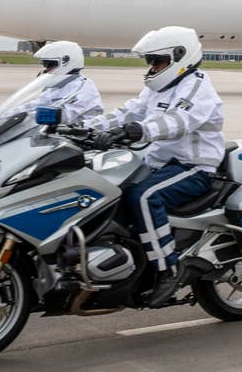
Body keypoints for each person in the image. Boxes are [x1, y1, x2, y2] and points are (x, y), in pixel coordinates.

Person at [83, 26, 224, 306]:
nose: (153, 67)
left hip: (193, 167)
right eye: (150, 61)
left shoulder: (197, 86)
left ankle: (168, 269)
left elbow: (178, 121)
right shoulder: (158, 89)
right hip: (158, 163)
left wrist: (137, 131)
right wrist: (83, 128)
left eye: (158, 61)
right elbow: (127, 112)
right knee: (106, 189)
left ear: (179, 57)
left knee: (145, 197)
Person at [33, 40, 103, 123]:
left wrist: (37, 115)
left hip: (76, 133)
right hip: (49, 131)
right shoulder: (56, 86)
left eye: (49, 64)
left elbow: (69, 113)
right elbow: (36, 104)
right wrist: (15, 111)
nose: (46, 69)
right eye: (44, 65)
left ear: (65, 61)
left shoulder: (84, 88)